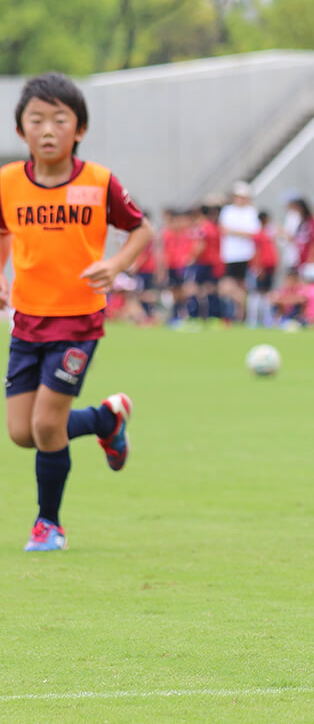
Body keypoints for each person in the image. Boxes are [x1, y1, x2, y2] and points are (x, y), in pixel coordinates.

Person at [0, 72, 153, 551]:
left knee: (47, 425)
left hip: (79, 322)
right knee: (22, 433)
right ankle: (106, 421)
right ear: (21, 131)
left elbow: (141, 230)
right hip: (27, 321)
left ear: (79, 129)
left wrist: (116, 264)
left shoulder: (99, 182)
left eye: (59, 119)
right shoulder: (7, 183)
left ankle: (49, 525)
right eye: (37, 120)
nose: (48, 129)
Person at [217, 182, 261, 323]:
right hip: (230, 255)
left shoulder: (251, 212)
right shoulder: (228, 211)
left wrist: (234, 231)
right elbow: (224, 229)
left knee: (243, 285)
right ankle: (242, 306)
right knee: (227, 286)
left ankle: (242, 316)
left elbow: (253, 232)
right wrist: (240, 232)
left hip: (246, 254)